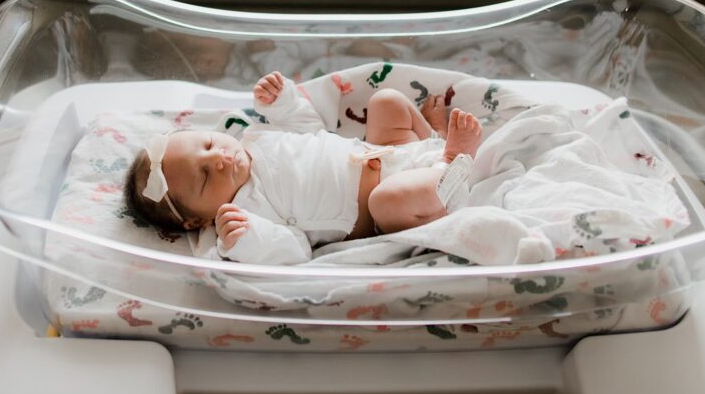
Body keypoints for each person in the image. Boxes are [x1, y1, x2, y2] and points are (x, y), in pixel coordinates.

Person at [123, 71, 482, 264]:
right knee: (388, 199)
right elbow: (294, 251)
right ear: (197, 221)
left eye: (208, 144)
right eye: (204, 176)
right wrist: (247, 240)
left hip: (387, 151)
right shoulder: (247, 212)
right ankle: (451, 163)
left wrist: (283, 102)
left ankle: (432, 140)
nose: (217, 160)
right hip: (389, 206)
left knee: (385, 102)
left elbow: (308, 128)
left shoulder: (256, 139)